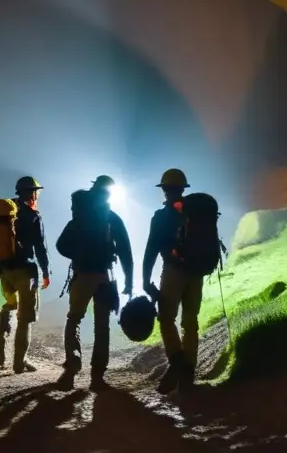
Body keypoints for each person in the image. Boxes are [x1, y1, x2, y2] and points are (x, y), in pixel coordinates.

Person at [54, 175, 133, 392]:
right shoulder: (112, 218)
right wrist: (129, 280)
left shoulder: (80, 215)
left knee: (74, 319)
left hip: (81, 275)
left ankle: (73, 362)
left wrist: (79, 255)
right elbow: (126, 251)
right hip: (105, 277)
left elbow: (61, 245)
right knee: (102, 325)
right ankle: (97, 375)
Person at [142, 168, 204, 394]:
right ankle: (188, 376)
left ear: (165, 190)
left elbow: (151, 250)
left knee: (167, 318)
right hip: (196, 273)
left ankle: (177, 363)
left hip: (173, 272)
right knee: (191, 323)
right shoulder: (196, 213)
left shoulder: (161, 217)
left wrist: (145, 279)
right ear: (183, 188)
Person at [0, 175, 51, 374]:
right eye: (36, 191)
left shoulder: (4, 211)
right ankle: (19, 362)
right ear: (32, 193)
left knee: (9, 306)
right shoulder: (33, 216)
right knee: (25, 316)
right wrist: (45, 272)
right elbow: (41, 247)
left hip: (4, 270)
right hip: (25, 272)